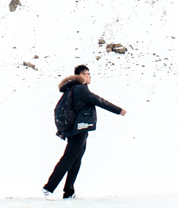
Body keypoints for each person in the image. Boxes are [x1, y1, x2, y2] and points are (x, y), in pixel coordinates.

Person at [43, 64, 126, 200]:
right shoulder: (80, 89)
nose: (89, 76)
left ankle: (68, 191)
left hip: (79, 128)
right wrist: (118, 110)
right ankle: (48, 188)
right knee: (68, 159)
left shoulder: (73, 88)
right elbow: (99, 101)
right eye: (87, 74)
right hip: (78, 129)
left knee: (76, 159)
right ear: (81, 75)